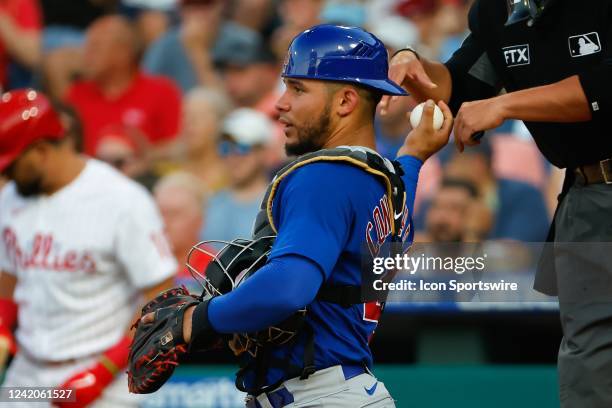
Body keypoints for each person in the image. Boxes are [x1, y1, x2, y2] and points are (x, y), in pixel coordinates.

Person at [140, 24, 454, 407]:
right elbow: (407, 168)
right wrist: (415, 153)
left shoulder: (324, 175)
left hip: (317, 394)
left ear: (345, 102)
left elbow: (290, 287)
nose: (280, 103)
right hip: (343, 388)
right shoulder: (391, 181)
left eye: (298, 89)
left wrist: (197, 321)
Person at [380, 0, 612, 405]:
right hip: (585, 193)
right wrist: (413, 63)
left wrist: (504, 105)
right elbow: (459, 85)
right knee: (588, 352)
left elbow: (605, 87)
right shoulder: (495, 12)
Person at [0, 89, 177, 407]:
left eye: (12, 164)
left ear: (40, 150)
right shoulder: (11, 198)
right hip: (28, 375)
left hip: (105, 371)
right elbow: (8, 279)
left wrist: (105, 369)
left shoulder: (122, 200)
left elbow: (161, 297)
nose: (5, 173)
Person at [65, 15, 181, 156]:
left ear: (123, 53)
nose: (86, 56)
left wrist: (146, 157)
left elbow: (178, 147)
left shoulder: (162, 92)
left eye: (95, 48)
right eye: (87, 47)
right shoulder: (76, 94)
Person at [199, 108, 274, 242]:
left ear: (263, 152)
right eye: (225, 147)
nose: (232, 156)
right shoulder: (211, 203)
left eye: (242, 147)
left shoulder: (276, 207)